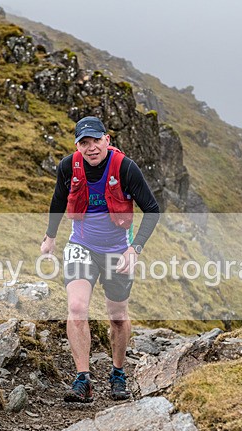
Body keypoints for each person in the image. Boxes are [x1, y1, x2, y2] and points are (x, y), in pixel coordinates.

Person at [40, 116, 160, 403]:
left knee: (117, 317)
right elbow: (58, 200)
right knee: (77, 306)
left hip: (118, 250)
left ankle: (118, 373)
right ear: (77, 145)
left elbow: (152, 209)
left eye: (96, 140)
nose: (91, 147)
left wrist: (135, 249)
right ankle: (83, 380)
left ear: (107, 139)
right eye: (84, 142)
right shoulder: (69, 166)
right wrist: (50, 236)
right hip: (81, 245)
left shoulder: (125, 168)